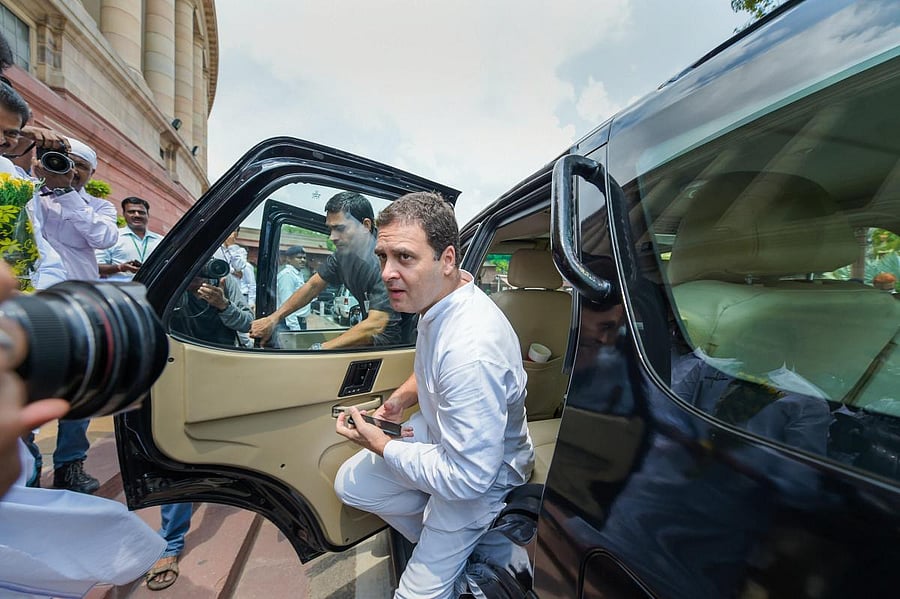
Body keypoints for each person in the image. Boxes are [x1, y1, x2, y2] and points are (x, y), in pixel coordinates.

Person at [333, 192, 534, 598]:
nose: (387, 272)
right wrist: (401, 401)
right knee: (352, 485)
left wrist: (381, 445)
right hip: (444, 440)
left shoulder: (470, 350)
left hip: (485, 476)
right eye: (382, 257)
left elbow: (469, 478)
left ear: (446, 259)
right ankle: (453, 546)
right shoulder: (440, 302)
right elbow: (430, 370)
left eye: (404, 258)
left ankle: (463, 550)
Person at [146, 269, 253, 590]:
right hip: (178, 374)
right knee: (176, 451)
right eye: (196, 274)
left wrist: (223, 305)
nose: (202, 278)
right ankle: (171, 543)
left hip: (224, 371)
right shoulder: (172, 282)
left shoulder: (227, 284)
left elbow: (248, 324)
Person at [30, 136, 118, 494]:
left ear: (91, 172)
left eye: (81, 165)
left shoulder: (100, 208)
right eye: (66, 161)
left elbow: (104, 239)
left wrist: (67, 194)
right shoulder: (28, 194)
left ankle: (70, 465)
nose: (72, 170)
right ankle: (27, 468)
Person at [250, 191, 403, 349]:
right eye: (330, 229)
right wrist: (273, 319)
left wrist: (320, 349)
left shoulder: (386, 261)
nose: (332, 237)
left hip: (394, 348)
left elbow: (376, 324)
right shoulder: (343, 256)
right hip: (368, 340)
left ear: (365, 225)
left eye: (340, 229)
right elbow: (312, 286)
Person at [97, 196, 164, 280]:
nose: (137, 215)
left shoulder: (161, 241)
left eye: (141, 212)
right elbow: (96, 267)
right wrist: (120, 267)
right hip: (121, 291)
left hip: (155, 290)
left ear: (148, 215)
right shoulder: (111, 236)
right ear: (124, 214)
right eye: (131, 212)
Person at [276, 246, 310, 332]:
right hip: (289, 324)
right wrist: (295, 330)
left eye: (304, 258)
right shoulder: (287, 276)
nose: (303, 260)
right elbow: (286, 305)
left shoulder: (298, 275)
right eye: (299, 257)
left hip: (299, 321)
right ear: (289, 259)